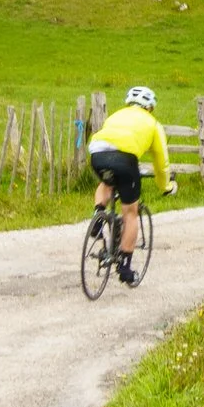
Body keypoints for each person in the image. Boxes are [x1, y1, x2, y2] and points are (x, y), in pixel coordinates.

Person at [87, 86, 174, 284]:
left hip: (97, 153)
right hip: (125, 159)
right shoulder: (153, 124)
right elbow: (161, 163)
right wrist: (166, 186)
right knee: (130, 212)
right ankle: (125, 269)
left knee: (107, 183)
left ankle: (98, 217)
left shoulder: (117, 115)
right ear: (150, 108)